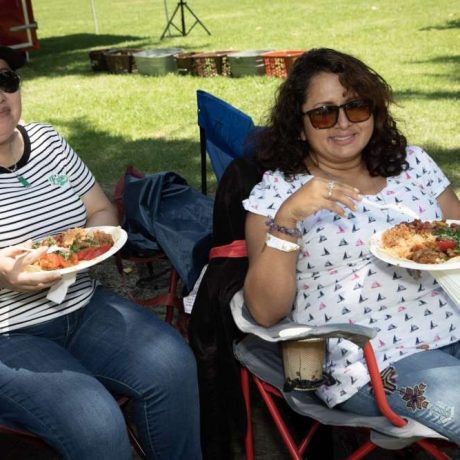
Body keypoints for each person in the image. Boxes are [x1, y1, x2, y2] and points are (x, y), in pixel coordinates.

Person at [243, 48, 460, 444]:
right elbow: (264, 310)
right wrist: (288, 220)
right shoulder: (277, 194)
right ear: (298, 125)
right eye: (324, 113)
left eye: (356, 107)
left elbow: (457, 238)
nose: (342, 123)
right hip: (376, 360)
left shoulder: (414, 164)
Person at [0, 46, 201, 459]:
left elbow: (100, 208)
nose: (0, 96)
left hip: (83, 306)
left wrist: (88, 244)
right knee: (97, 423)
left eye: (5, 80)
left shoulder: (48, 141)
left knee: (173, 365)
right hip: (9, 336)